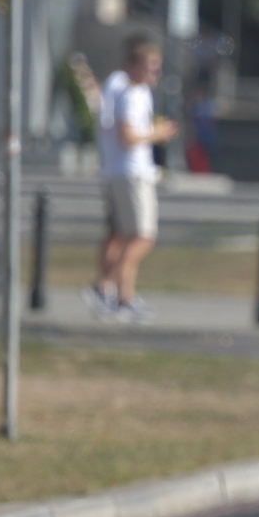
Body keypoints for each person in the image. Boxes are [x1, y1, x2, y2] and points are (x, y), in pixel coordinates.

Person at [87, 38, 175, 322]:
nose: (154, 74)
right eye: (149, 67)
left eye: (157, 69)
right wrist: (157, 133)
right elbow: (128, 137)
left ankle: (125, 297)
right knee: (143, 238)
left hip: (124, 172)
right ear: (133, 65)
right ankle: (105, 286)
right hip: (131, 174)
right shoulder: (130, 94)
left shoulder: (132, 91)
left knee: (125, 236)